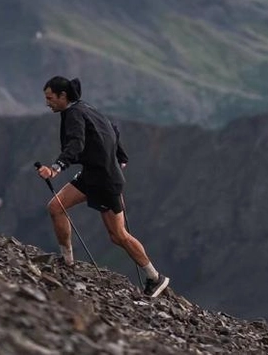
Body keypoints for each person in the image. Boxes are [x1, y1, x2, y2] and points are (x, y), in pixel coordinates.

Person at [35, 75, 171, 299]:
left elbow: (76, 144)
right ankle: (67, 261)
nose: (47, 103)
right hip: (93, 175)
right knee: (56, 207)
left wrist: (55, 169)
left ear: (63, 96)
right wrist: (121, 156)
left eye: (50, 98)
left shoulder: (73, 114)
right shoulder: (83, 107)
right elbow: (111, 128)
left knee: (118, 236)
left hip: (105, 181)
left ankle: (155, 277)